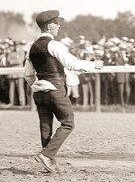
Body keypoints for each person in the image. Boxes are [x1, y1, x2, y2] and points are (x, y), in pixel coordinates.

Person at [24, 10, 104, 173]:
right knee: (68, 122)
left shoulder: (31, 48)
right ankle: (47, 155)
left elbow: (28, 75)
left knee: (45, 126)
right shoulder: (54, 45)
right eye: (57, 23)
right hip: (55, 89)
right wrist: (93, 65)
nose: (59, 26)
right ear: (49, 26)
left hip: (39, 92)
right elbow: (72, 64)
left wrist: (37, 86)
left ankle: (47, 159)